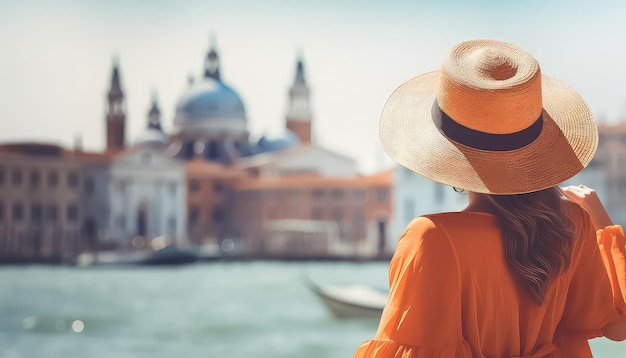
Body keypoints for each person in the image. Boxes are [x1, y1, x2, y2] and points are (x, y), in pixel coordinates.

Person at [353, 39, 626, 357]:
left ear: (447, 151)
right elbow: (618, 328)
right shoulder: (574, 225)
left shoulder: (431, 237)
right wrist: (604, 226)